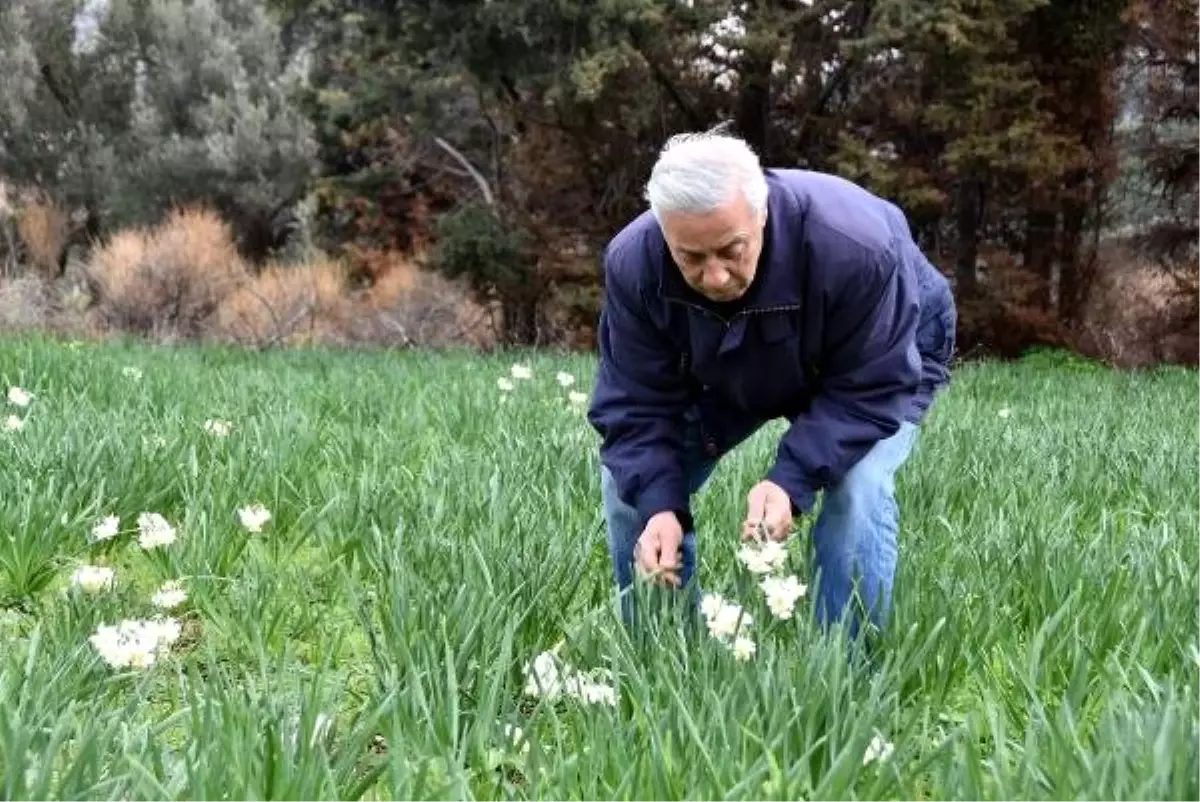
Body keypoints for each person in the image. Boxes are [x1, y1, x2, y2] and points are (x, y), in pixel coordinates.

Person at [586, 130, 957, 640]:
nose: (714, 277)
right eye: (690, 257)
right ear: (665, 232)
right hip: (727, 359)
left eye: (730, 250)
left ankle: (845, 677)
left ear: (761, 215)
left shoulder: (856, 247)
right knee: (631, 490)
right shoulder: (636, 262)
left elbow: (871, 386)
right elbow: (635, 403)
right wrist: (659, 506)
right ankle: (662, 663)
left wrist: (791, 480)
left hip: (872, 360)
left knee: (858, 489)